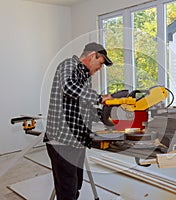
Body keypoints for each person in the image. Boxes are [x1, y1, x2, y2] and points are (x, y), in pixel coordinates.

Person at [44, 42, 113, 200]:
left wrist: (106, 116)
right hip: (62, 142)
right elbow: (69, 87)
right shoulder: (69, 65)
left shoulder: (85, 78)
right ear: (91, 56)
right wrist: (99, 98)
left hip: (76, 142)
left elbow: (85, 107)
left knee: (75, 187)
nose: (100, 68)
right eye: (100, 63)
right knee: (67, 191)